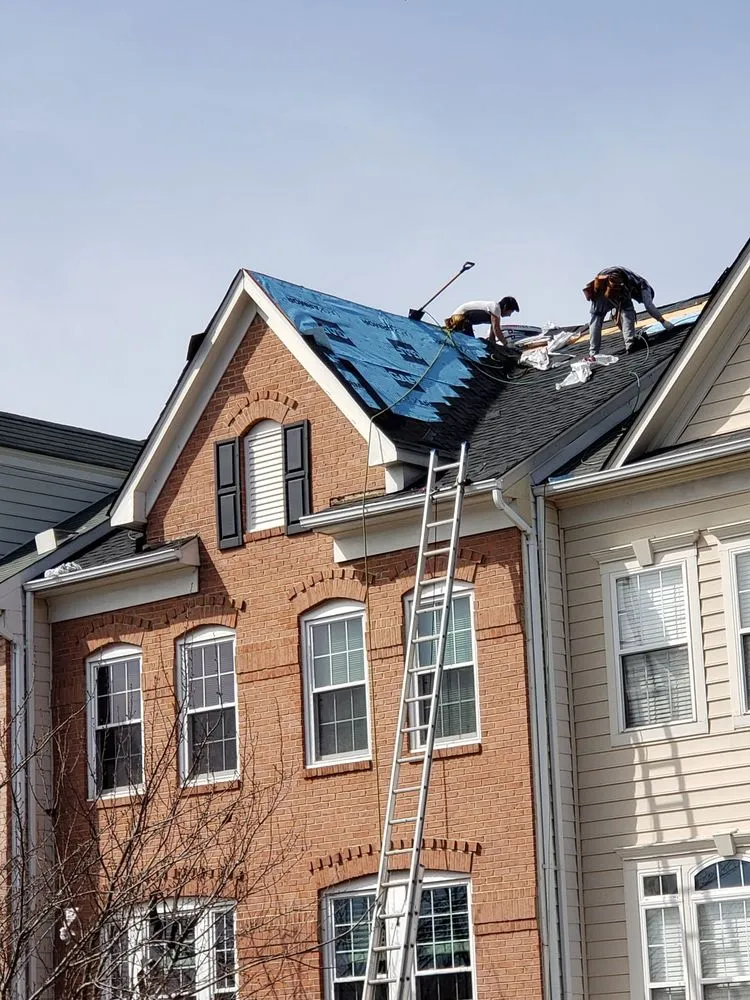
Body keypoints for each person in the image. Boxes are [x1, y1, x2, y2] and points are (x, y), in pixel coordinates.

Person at [583, 267, 674, 360]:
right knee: (628, 311)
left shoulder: (631, 286)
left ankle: (593, 354)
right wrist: (663, 322)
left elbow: (616, 314)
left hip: (599, 283)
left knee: (596, 318)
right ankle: (630, 344)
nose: (639, 301)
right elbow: (649, 306)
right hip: (616, 280)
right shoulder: (644, 286)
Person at [444, 297, 520, 346]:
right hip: (460, 318)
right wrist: (506, 344)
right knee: (470, 344)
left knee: (470, 343)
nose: (509, 315)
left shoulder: (494, 314)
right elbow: (496, 329)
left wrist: (493, 346)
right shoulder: (496, 308)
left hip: (462, 319)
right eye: (511, 311)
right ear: (505, 307)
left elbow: (492, 336)